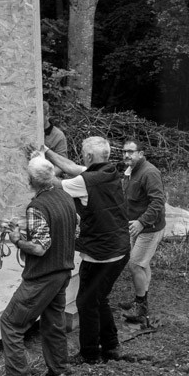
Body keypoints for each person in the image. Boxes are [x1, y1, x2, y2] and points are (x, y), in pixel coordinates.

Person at [37, 136, 131, 364]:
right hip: (117, 248)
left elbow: (55, 183)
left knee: (87, 302)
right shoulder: (108, 171)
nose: (80, 156)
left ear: (88, 157)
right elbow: (70, 168)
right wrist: (46, 151)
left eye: (82, 152)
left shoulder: (86, 181)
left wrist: (36, 163)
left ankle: (90, 354)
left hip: (103, 254)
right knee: (99, 299)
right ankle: (111, 346)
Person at [0, 156, 78, 376]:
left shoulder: (37, 206)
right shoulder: (65, 197)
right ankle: (59, 370)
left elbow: (40, 248)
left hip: (42, 276)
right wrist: (28, 225)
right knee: (53, 322)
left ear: (31, 180)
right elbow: (75, 230)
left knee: (11, 324)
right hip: (63, 272)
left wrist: (17, 239)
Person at [120, 140, 166, 326]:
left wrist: (141, 222)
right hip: (136, 226)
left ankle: (141, 308)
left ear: (141, 153)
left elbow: (158, 202)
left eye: (131, 152)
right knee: (142, 264)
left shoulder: (149, 172)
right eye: (124, 152)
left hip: (149, 227)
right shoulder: (130, 172)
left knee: (135, 265)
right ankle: (141, 299)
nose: (126, 155)